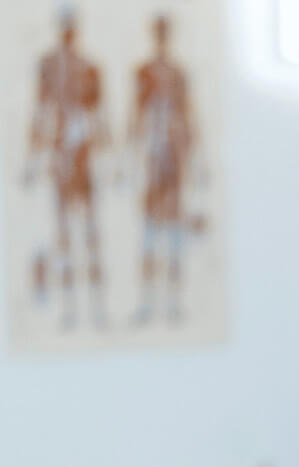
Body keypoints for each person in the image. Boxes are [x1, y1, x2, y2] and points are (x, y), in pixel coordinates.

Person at [24, 4, 111, 330]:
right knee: (63, 234)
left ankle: (98, 306)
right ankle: (70, 308)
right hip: (60, 157)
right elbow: (39, 112)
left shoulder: (90, 68)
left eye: (70, 25)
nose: (67, 31)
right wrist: (32, 159)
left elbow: (100, 117)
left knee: (90, 230)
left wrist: (111, 159)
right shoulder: (47, 66)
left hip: (83, 156)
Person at [128, 12, 196, 327]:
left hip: (175, 162)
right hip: (154, 163)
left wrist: (196, 159)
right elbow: (136, 114)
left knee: (175, 235)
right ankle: (147, 302)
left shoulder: (179, 73)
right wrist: (129, 156)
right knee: (150, 234)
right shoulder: (144, 72)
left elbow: (189, 115)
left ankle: (174, 304)